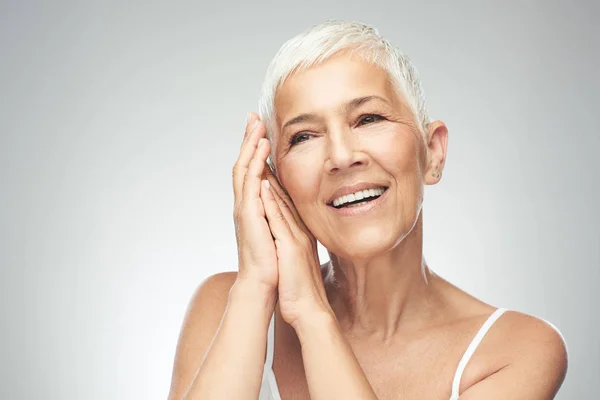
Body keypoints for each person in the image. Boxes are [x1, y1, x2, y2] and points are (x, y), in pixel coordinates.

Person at [167, 20, 568, 400]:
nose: (341, 157)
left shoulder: (516, 350)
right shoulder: (227, 305)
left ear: (433, 152)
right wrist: (255, 288)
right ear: (276, 180)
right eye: (304, 136)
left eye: (368, 118)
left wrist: (312, 313)